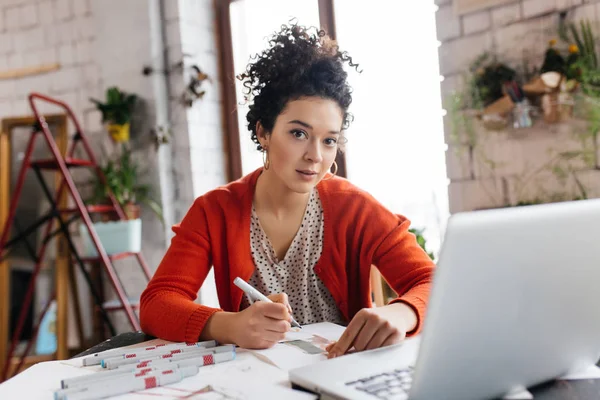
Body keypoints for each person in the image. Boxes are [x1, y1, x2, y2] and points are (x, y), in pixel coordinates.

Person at [140, 23, 435, 358]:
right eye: (298, 133)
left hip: (340, 375)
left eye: (329, 141)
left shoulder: (356, 209)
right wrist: (229, 325)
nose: (315, 156)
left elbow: (434, 282)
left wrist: (402, 312)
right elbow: (156, 303)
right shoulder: (215, 211)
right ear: (263, 132)